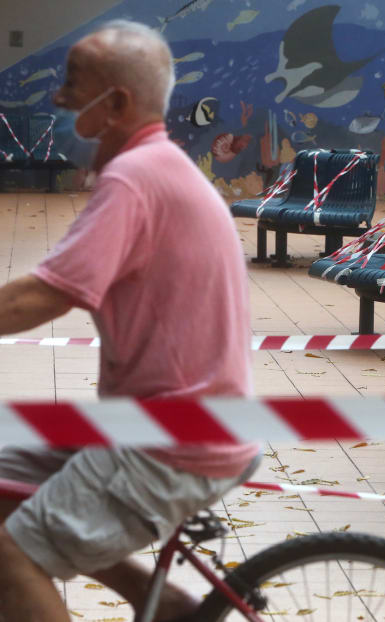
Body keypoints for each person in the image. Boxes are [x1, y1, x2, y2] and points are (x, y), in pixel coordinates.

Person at [0, 20, 260, 622]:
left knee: (11, 555)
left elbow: (42, 296)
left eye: (71, 84)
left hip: (168, 442)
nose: (59, 99)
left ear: (114, 103)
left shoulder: (134, 179)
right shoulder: (158, 166)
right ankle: (163, 603)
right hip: (162, 420)